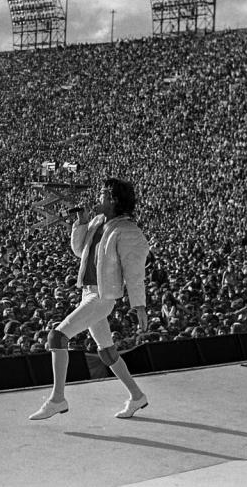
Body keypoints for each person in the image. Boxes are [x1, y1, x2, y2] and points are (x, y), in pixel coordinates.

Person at [29, 178, 150, 421]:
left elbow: (135, 271)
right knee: (106, 352)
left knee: (57, 336)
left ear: (113, 200)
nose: (98, 198)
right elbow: (79, 251)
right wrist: (81, 223)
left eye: (104, 194)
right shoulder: (97, 222)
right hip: (88, 292)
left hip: (102, 296)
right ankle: (137, 396)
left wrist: (139, 306)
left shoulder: (128, 231)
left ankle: (57, 399)